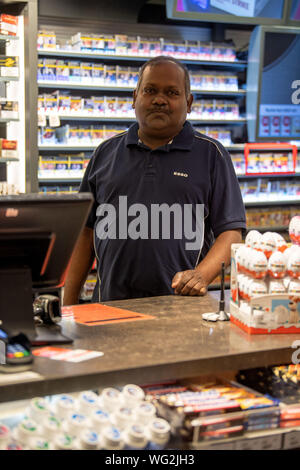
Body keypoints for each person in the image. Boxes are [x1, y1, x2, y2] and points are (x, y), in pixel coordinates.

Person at [63, 56, 246, 305]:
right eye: (150, 90)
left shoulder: (211, 154)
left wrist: (201, 275)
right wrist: (69, 300)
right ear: (134, 97)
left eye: (172, 92)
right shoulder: (105, 153)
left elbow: (231, 232)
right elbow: (85, 232)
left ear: (189, 102)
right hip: (109, 307)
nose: (159, 100)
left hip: (182, 308)